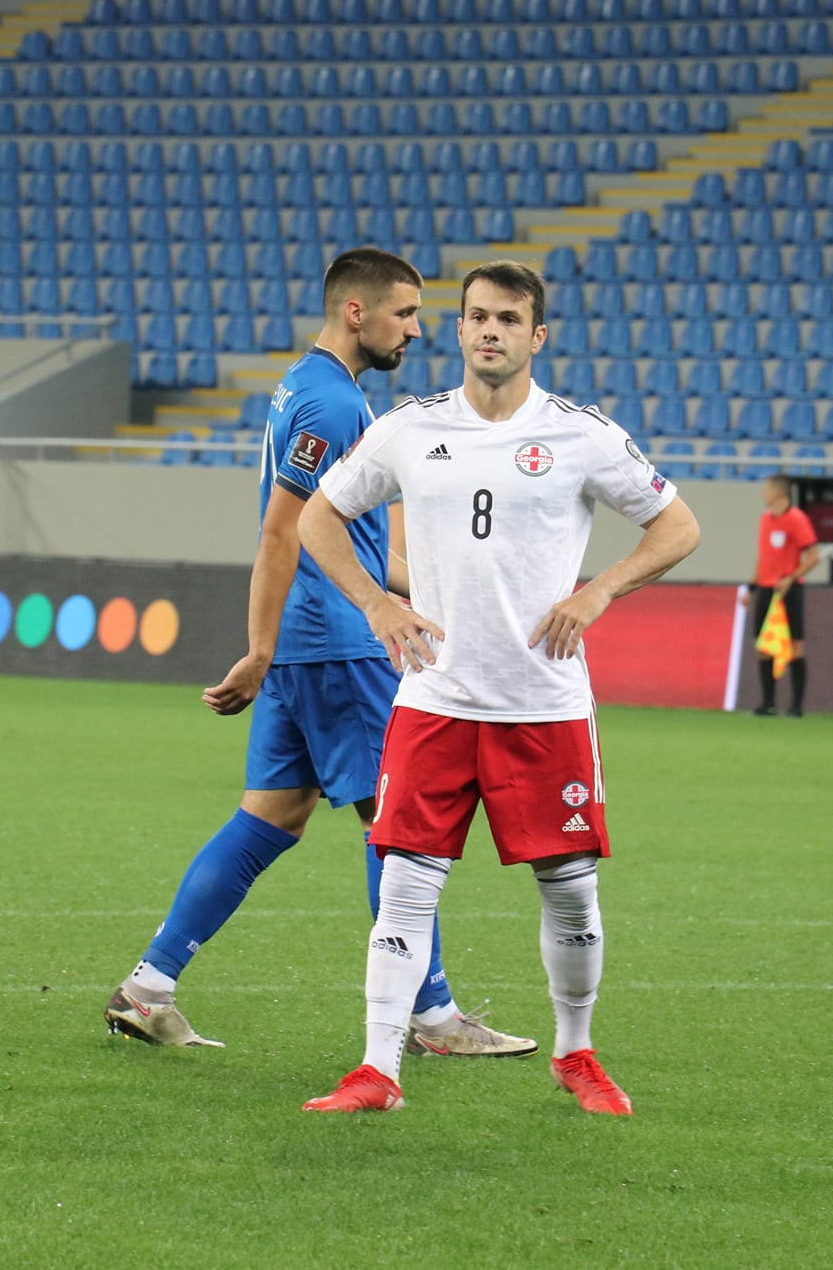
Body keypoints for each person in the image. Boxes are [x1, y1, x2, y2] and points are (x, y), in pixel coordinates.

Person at [104, 248, 534, 1059]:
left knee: (270, 816)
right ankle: (434, 1014)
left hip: (314, 642)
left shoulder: (301, 384)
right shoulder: (337, 406)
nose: (418, 327)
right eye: (406, 312)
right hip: (337, 644)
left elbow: (358, 543)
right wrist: (258, 647)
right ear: (357, 312)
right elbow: (285, 527)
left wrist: (450, 588)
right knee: (399, 825)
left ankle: (147, 987)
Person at [294, 261, 701, 1115]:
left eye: (507, 320)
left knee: (571, 888)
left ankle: (576, 1052)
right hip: (435, 699)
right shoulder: (410, 428)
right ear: (461, 327)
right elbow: (316, 515)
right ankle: (378, 1068)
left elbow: (679, 524)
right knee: (405, 882)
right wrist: (376, 602)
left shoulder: (582, 435)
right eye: (476, 316)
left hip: (542, 704)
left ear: (535, 335)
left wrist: (598, 591)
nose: (488, 331)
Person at [744, 474, 819, 717]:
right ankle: (768, 703)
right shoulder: (765, 519)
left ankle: (796, 706)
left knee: (796, 645)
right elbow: (763, 557)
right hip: (766, 589)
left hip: (789, 589)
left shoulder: (797, 519)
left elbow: (814, 557)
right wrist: (750, 588)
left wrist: (791, 577)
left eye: (766, 489)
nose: (763, 493)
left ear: (779, 492)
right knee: (763, 646)